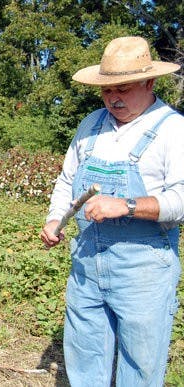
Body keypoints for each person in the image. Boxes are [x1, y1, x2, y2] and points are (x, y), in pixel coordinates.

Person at [40, 36, 184, 386]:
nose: (113, 98)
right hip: (87, 265)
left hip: (143, 270)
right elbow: (67, 180)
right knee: (85, 362)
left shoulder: (173, 129)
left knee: (140, 369)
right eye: (106, 91)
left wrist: (127, 205)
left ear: (149, 82)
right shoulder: (91, 124)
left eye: (123, 88)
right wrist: (55, 218)